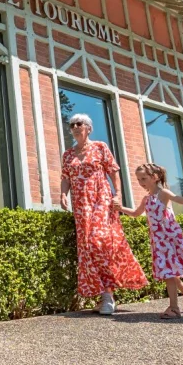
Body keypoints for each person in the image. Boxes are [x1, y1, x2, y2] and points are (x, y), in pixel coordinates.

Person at [60, 113, 148, 314]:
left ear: (88, 128)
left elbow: (113, 171)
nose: (74, 127)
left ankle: (108, 294)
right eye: (72, 124)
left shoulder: (100, 147)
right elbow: (65, 177)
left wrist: (118, 195)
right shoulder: (68, 155)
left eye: (79, 124)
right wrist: (63, 194)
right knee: (87, 247)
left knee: (98, 241)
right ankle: (104, 294)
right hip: (81, 205)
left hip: (101, 198)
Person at [118, 163, 183, 319]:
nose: (141, 182)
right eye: (138, 179)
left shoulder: (163, 193)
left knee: (169, 273)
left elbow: (181, 200)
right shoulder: (146, 198)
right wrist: (120, 208)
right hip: (157, 240)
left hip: (169, 237)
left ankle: (174, 308)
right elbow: (136, 213)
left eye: (144, 178)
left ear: (155, 177)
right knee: (170, 272)